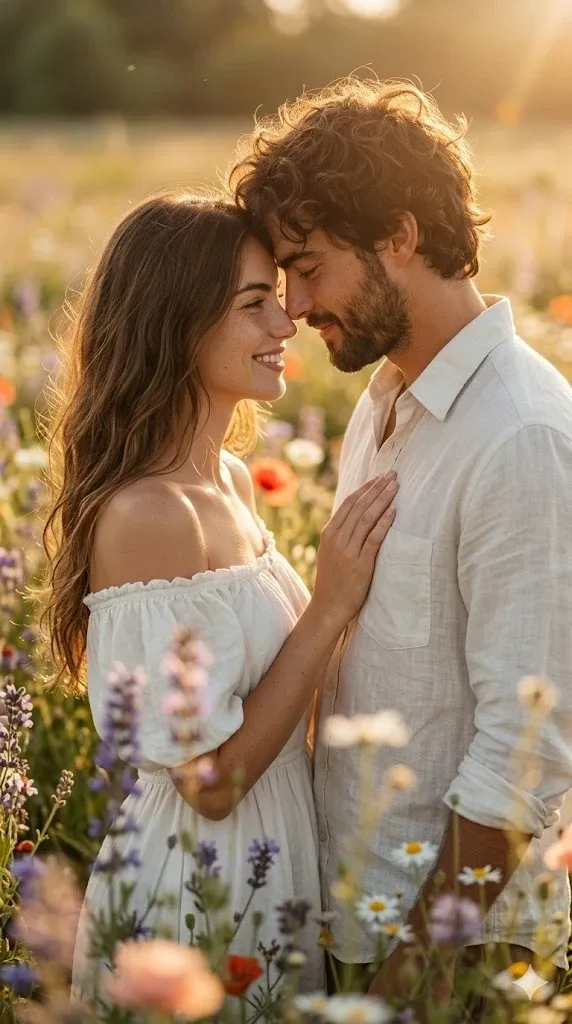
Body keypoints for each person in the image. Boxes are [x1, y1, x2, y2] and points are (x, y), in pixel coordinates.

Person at [231, 77, 572, 997]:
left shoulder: (522, 434)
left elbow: (528, 749)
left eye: (308, 264)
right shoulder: (385, 405)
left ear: (401, 234)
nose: (294, 302)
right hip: (357, 915)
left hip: (457, 957)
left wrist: (408, 988)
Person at [40, 189, 399, 998]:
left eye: (279, 296)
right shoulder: (149, 515)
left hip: (274, 856)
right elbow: (209, 787)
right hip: (202, 885)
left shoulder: (230, 480)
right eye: (255, 304)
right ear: (177, 323)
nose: (285, 323)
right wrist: (331, 605)